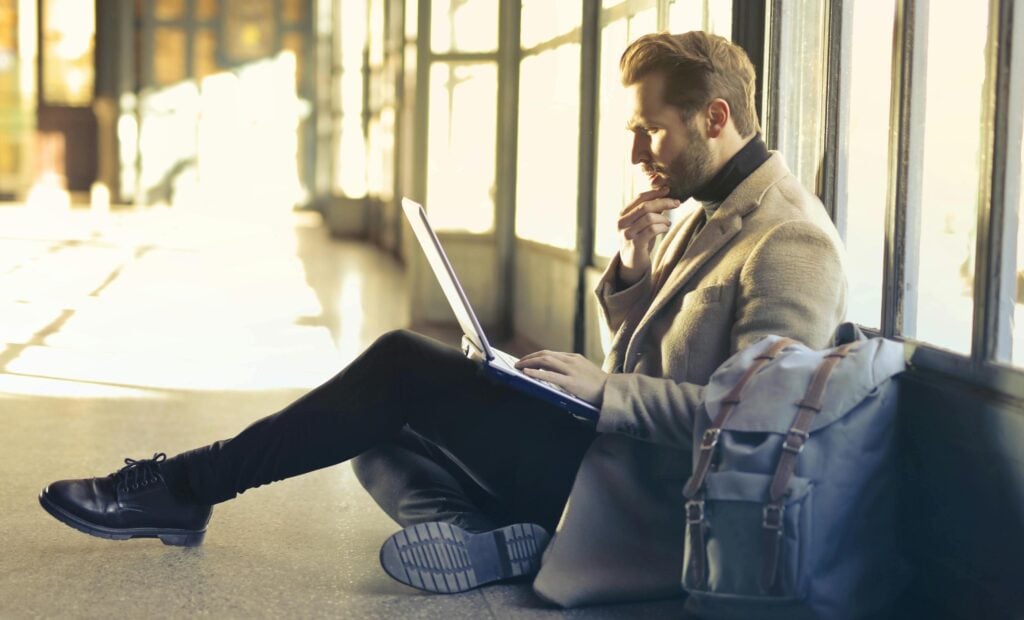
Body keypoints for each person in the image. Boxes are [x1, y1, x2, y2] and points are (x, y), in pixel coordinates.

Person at [38, 31, 845, 607]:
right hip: (605, 456)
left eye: (652, 130)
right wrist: (633, 273)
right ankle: (488, 534)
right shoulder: (705, 208)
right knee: (369, 428)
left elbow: (759, 430)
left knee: (399, 365)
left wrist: (604, 392)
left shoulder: (790, 240)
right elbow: (657, 360)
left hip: (649, 503)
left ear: (715, 117)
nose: (638, 154)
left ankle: (187, 486)